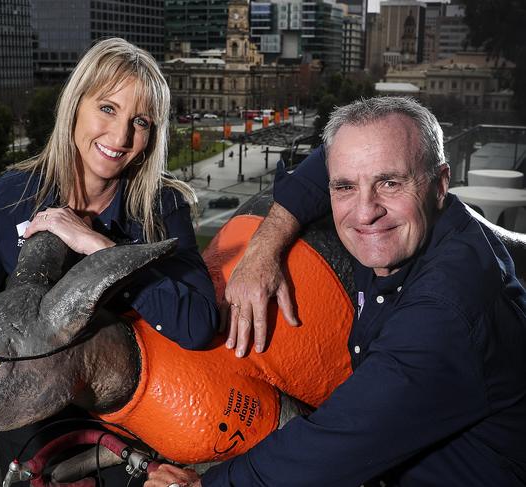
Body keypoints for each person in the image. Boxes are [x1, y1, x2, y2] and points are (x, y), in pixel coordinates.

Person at [146, 97, 526, 486]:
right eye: (344, 187)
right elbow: (335, 159)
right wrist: (265, 245)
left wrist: (205, 485)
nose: (364, 212)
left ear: (440, 184)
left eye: (390, 183)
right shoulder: (413, 234)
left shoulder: (445, 307)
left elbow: (336, 445)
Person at [0, 37, 218, 485]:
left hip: (127, 425)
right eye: (107, 108)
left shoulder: (161, 208)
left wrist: (98, 249)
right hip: (31, 425)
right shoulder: (12, 196)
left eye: (141, 122)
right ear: (75, 105)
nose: (121, 136)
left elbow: (197, 325)